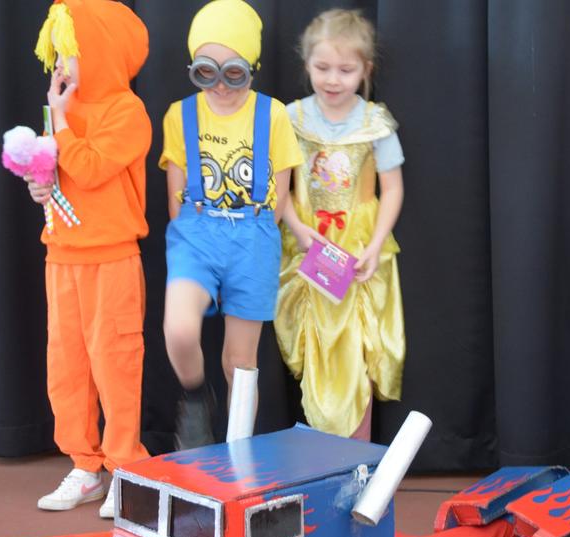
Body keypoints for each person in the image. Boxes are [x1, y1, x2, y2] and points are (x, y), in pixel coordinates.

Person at [159, 0, 304, 449]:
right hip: (197, 233)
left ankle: (237, 453)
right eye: (207, 71)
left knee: (239, 363)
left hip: (253, 236)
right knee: (180, 329)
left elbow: (279, 197)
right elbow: (176, 198)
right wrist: (201, 242)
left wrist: (249, 242)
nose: (220, 85)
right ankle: (196, 398)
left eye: (233, 72)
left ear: (253, 66)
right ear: (194, 68)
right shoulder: (179, 115)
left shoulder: (273, 115)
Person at [27, 0, 151, 518]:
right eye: (56, 51)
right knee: (68, 366)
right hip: (61, 258)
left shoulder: (127, 111)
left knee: (114, 364)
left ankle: (126, 469)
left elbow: (95, 168)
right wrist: (40, 185)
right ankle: (85, 465)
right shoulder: (60, 109)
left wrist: (58, 124)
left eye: (70, 51)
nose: (59, 62)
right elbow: (57, 174)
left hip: (112, 260)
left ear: (100, 52)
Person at [276, 8, 405, 440]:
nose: (333, 79)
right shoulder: (292, 120)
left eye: (346, 70)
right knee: (318, 349)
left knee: (356, 350)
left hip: (360, 247)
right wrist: (294, 225)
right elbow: (281, 189)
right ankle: (322, 462)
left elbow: (393, 189)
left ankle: (358, 464)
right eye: (322, 67)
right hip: (309, 246)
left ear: (365, 70)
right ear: (306, 64)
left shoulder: (375, 124)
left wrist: (375, 243)